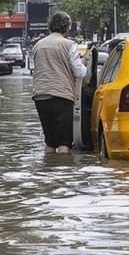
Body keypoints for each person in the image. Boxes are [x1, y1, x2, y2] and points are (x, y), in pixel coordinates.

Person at [31, 12, 88, 154]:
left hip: (40, 96)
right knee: (64, 143)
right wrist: (84, 62)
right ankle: (62, 171)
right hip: (61, 96)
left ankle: (48, 167)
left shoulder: (37, 45)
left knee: (50, 142)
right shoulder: (69, 45)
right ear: (67, 27)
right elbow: (80, 72)